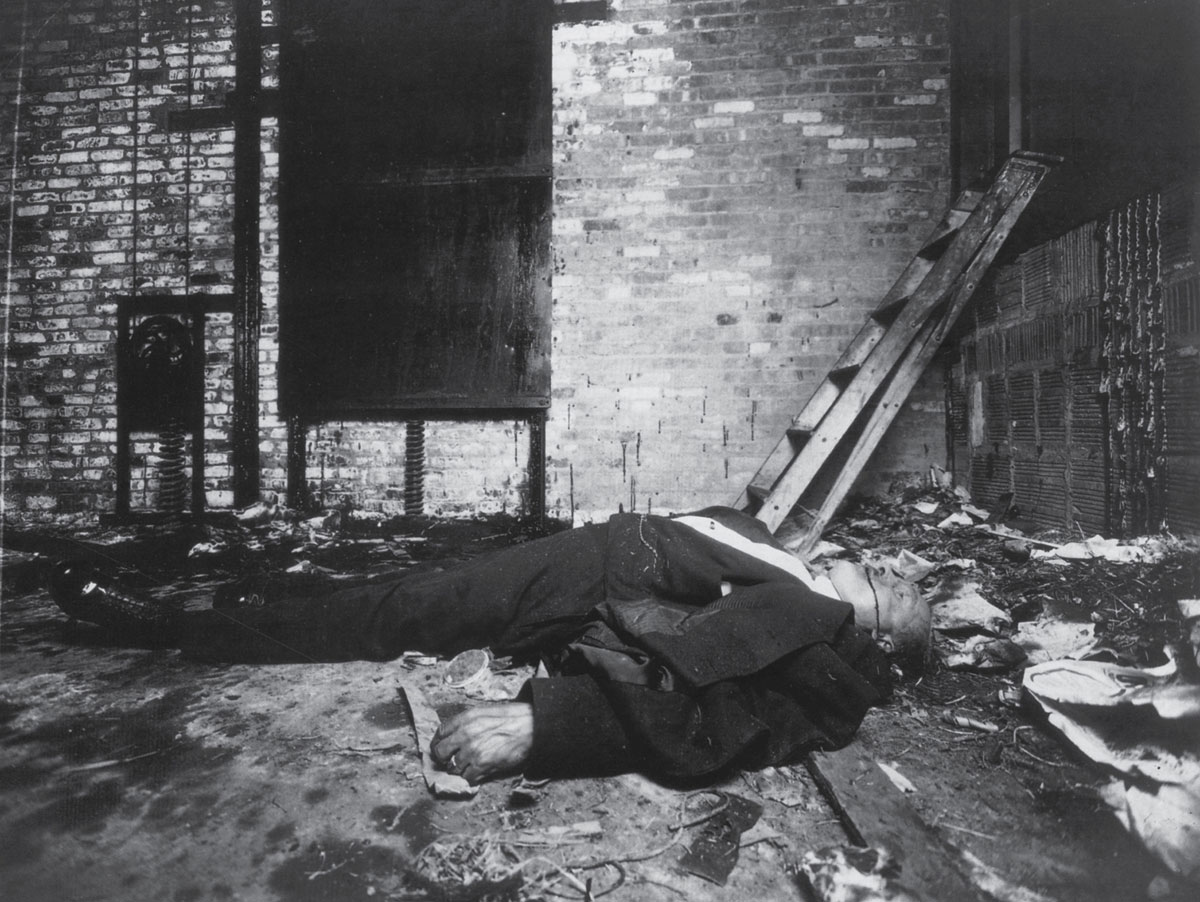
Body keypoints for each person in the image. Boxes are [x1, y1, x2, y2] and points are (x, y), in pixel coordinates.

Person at [47, 507, 929, 786]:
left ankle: (173, 625)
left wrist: (547, 727)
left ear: (877, 633)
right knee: (414, 596)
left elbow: (738, 721)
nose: (883, 563)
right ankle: (251, 603)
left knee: (410, 604)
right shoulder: (793, 563)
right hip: (599, 569)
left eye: (891, 585)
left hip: (593, 582)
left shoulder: (821, 630)